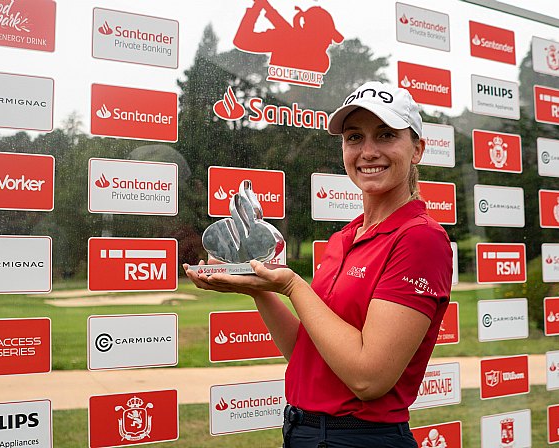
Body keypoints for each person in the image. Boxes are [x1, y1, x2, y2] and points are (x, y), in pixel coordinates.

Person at [183, 81, 453, 448]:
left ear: (417, 149)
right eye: (354, 137)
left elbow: (368, 379)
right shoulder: (345, 238)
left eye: (386, 135)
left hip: (360, 439)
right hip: (302, 430)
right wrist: (259, 289)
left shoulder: (419, 237)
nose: (368, 151)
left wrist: (293, 286)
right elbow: (307, 354)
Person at [233, 0, 343, 73]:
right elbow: (242, 40)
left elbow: (241, 40)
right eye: (326, 36)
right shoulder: (285, 38)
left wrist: (258, 7)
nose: (329, 42)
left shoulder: (322, 60)